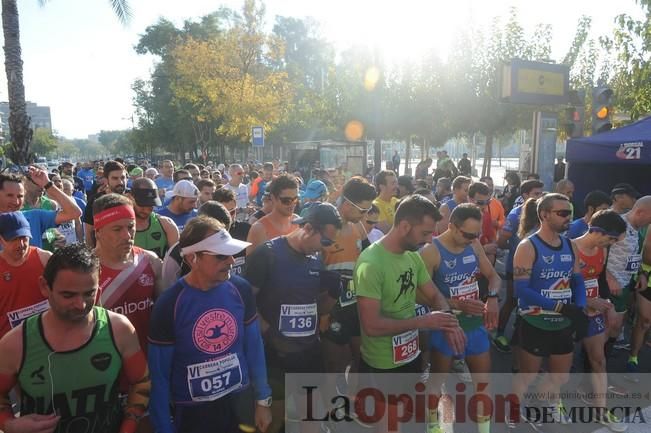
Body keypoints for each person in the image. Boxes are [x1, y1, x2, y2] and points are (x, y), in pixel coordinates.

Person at [0, 244, 150, 433]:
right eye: (68, 295)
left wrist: (128, 427)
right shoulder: (16, 343)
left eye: (89, 294)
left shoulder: (118, 329)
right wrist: (9, 425)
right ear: (45, 287)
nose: (80, 305)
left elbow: (142, 381)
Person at [149, 217, 272, 433]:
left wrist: (263, 400)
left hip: (239, 402)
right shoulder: (169, 304)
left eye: (232, 253)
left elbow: (254, 346)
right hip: (193, 414)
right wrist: (163, 427)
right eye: (222, 255)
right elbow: (159, 377)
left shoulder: (240, 289)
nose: (232, 261)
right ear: (192, 258)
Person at [244, 203, 343, 433]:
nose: (327, 248)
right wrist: (270, 334)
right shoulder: (266, 254)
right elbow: (245, 306)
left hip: (307, 353)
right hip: (273, 357)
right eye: (326, 241)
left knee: (312, 421)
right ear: (308, 228)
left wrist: (333, 294)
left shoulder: (316, 259)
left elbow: (318, 308)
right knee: (272, 424)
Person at [355, 194, 466, 374]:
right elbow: (371, 326)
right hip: (382, 365)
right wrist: (422, 322)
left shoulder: (412, 254)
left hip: (411, 355)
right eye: (425, 233)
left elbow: (434, 295)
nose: (430, 240)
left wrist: (448, 321)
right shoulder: (371, 264)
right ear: (405, 226)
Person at [420, 204, 501, 433]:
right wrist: (456, 304)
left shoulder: (474, 245)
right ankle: (434, 424)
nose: (473, 239)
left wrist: (492, 297)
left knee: (483, 384)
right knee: (437, 382)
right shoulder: (431, 251)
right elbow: (420, 295)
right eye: (467, 234)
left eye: (476, 234)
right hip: (446, 325)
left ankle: (484, 430)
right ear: (452, 227)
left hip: (474, 325)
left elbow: (494, 277)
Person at [510, 193, 588, 426]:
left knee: (560, 376)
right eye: (562, 213)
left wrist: (580, 309)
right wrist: (561, 307)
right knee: (527, 375)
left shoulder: (570, 245)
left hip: (562, 321)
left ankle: (548, 403)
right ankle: (514, 409)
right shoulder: (528, 246)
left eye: (570, 213)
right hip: (535, 320)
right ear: (544, 215)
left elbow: (577, 280)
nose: (568, 218)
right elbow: (521, 290)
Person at [574, 210, 627, 431]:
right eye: (612, 239)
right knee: (559, 364)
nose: (612, 244)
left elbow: (599, 279)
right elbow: (557, 286)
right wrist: (585, 300)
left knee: (599, 360)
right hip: (567, 311)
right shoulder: (570, 248)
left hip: (593, 311)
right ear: (598, 231)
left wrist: (606, 304)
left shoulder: (602, 251)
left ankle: (601, 410)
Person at [93, 194, 163, 355]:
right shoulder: (85, 270)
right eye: (117, 229)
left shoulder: (151, 262)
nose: (127, 236)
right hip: (106, 364)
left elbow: (165, 315)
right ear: (98, 232)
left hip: (148, 360)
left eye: (131, 227)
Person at [320, 177, 376, 377]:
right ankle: (331, 406)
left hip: (354, 302)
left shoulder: (357, 225)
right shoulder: (323, 226)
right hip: (331, 306)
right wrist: (323, 313)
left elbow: (370, 257)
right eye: (362, 211)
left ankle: (352, 401)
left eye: (368, 211)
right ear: (346, 205)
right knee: (334, 363)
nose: (364, 217)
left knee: (360, 356)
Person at [493, 179, 544, 353]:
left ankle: (521, 336)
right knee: (512, 301)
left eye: (541, 193)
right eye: (536, 194)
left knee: (531, 302)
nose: (540, 197)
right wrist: (517, 248)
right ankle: (499, 334)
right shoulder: (516, 214)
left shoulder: (543, 212)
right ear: (525, 195)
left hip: (538, 270)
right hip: (515, 267)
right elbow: (501, 241)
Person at [0, 212, 52, 339]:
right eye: (13, 239)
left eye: (24, 237)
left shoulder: (45, 259)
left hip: (47, 339)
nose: (21, 245)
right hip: (9, 344)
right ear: (1, 239)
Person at [161, 201, 232, 284]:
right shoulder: (176, 254)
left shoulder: (229, 246)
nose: (222, 238)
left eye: (226, 231)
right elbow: (168, 288)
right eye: (217, 233)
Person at [246, 174, 299, 254]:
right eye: (286, 200)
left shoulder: (298, 223)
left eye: (295, 199)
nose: (292, 204)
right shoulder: (259, 229)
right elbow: (252, 265)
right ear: (273, 198)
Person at [131, 177, 179, 259]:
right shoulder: (119, 227)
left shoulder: (167, 225)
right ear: (131, 197)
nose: (146, 210)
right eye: (142, 205)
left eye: (150, 205)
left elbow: (177, 262)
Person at [84, 160, 128, 248]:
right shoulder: (95, 201)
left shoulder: (133, 197)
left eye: (123, 178)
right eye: (115, 178)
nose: (120, 182)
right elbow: (89, 232)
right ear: (106, 180)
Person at [214, 188, 251, 276]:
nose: (229, 217)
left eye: (233, 211)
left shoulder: (247, 229)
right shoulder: (208, 233)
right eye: (225, 213)